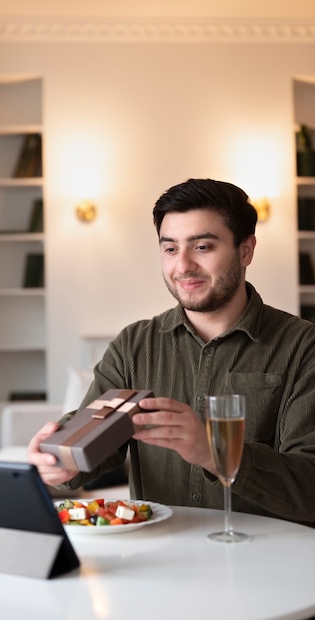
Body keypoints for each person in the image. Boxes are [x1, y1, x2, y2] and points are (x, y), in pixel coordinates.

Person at [28, 178, 315, 527]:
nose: (183, 266)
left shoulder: (303, 347)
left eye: (203, 247)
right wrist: (60, 458)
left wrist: (215, 452)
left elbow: (309, 486)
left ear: (246, 250)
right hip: (158, 558)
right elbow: (93, 432)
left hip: (270, 561)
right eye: (170, 249)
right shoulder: (133, 344)